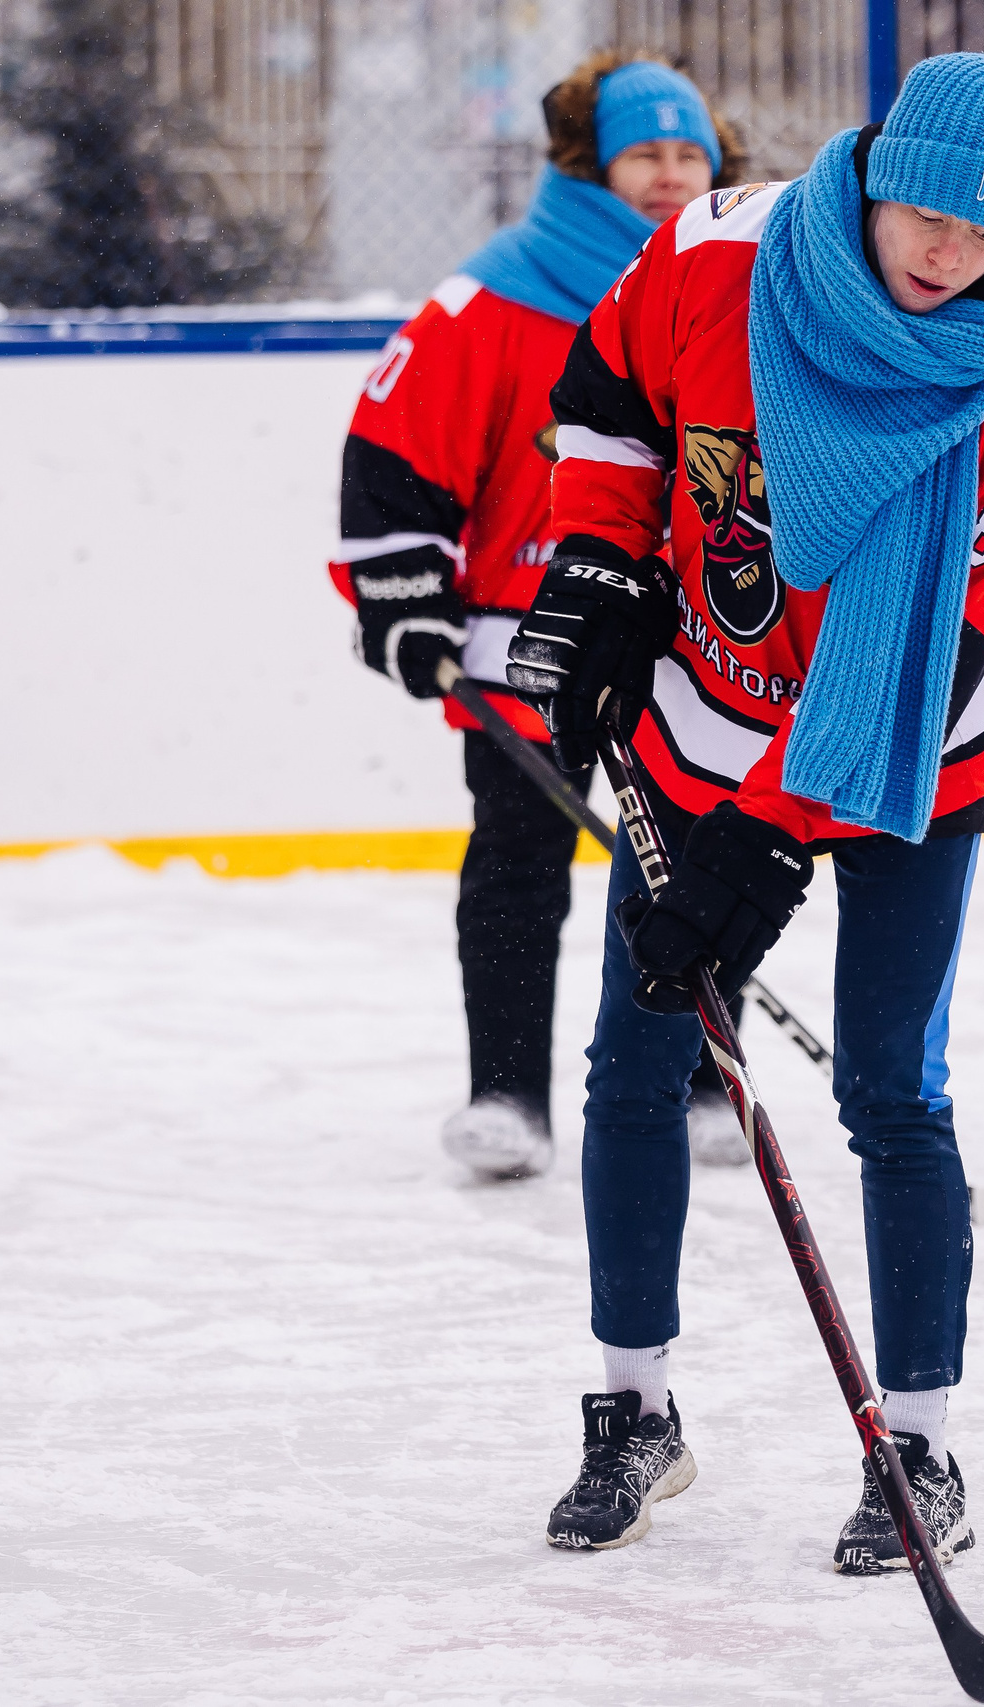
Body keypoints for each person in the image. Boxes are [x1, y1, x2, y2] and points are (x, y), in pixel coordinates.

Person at [504, 54, 984, 1567]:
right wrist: (601, 573)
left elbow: (918, 672)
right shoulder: (714, 255)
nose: (950, 249)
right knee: (636, 1055)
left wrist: (760, 845)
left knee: (890, 1089)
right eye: (927, 210)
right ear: (878, 170)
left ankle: (923, 1444)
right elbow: (607, 404)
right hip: (699, 720)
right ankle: (635, 1410)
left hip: (909, 769)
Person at [331, 55, 752, 1182]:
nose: (668, 178)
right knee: (518, 867)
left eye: (687, 156)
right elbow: (393, 455)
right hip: (530, 637)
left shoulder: (740, 289)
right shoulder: (495, 296)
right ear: (587, 165)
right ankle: (507, 1092)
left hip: (696, 639)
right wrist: (405, 598)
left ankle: (710, 1077)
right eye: (643, 156)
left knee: (703, 857)